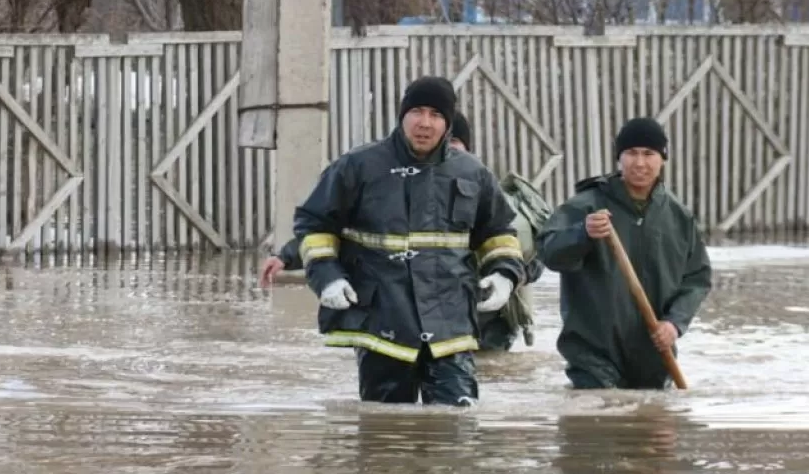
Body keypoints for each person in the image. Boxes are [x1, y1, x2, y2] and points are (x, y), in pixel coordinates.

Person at [291, 76, 526, 406]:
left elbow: (499, 232)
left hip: (450, 321)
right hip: (383, 321)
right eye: (417, 111)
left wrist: (504, 275)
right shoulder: (357, 166)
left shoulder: (473, 173)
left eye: (436, 114)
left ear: (447, 123)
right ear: (402, 116)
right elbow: (313, 223)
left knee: (456, 426)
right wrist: (327, 278)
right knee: (385, 432)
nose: (425, 123)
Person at [259, 111, 548, 352]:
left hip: (483, 322)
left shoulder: (484, 191)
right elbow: (349, 232)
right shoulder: (396, 186)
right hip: (420, 317)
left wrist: (506, 277)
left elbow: (530, 255)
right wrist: (287, 256)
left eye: (457, 141)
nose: (451, 146)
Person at [534, 117, 713, 390]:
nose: (639, 163)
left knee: (653, 422)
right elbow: (548, 252)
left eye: (648, 154)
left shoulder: (679, 217)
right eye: (631, 153)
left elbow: (697, 279)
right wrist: (582, 233)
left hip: (655, 359)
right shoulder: (586, 205)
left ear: (662, 158)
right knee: (601, 422)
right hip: (593, 359)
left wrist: (674, 325)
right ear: (619, 158)